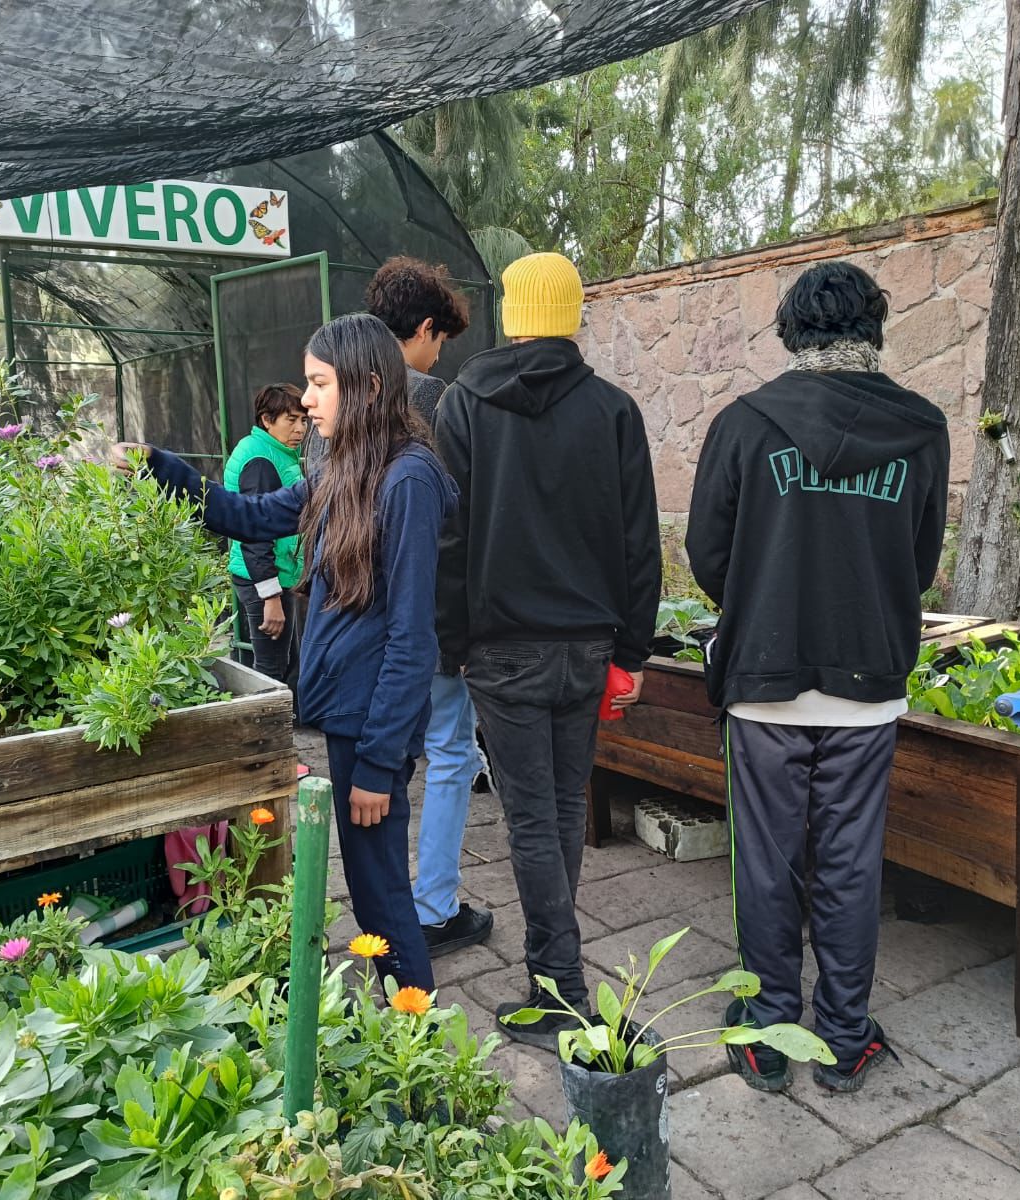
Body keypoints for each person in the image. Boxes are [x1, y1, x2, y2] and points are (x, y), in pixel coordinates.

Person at [111, 313, 457, 991]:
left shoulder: (407, 481)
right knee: (371, 893)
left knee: (384, 897)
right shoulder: (344, 470)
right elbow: (247, 515)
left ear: (367, 385)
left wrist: (381, 764)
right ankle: (405, 1037)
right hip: (351, 721)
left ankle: (422, 1060)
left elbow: (413, 637)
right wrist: (160, 468)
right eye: (308, 384)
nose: (305, 400)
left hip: (373, 731)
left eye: (319, 383)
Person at [685, 261, 950, 1094]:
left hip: (766, 679)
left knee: (764, 861)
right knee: (850, 861)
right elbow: (922, 558)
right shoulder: (924, 429)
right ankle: (842, 1034)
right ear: (873, 330)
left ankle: (768, 1033)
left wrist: (762, 599)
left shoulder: (743, 424)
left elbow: (707, 554)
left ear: (792, 333)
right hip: (868, 684)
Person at [435, 251, 661, 1046]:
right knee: (561, 809)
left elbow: (449, 538)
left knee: (534, 818)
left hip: (501, 651)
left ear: (510, 314)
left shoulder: (464, 407)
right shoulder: (614, 411)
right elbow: (640, 544)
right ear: (573, 316)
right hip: (588, 648)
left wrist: (450, 643)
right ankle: (555, 973)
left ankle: (558, 987)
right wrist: (633, 651)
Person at [363, 257, 493, 957]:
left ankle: (381, 910)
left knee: (381, 762)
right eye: (438, 336)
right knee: (449, 750)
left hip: (359, 623)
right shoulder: (436, 404)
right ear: (420, 329)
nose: (440, 351)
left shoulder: (338, 403)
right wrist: (462, 635)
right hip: (427, 621)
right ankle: (433, 907)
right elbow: (454, 529)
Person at [223, 383, 308, 687]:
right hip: (262, 578)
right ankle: (265, 733)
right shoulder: (260, 460)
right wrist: (270, 597)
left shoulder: (276, 452)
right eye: (291, 420)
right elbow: (254, 532)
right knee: (269, 669)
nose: (300, 429)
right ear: (266, 420)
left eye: (304, 420)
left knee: (283, 661)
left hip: (275, 573)